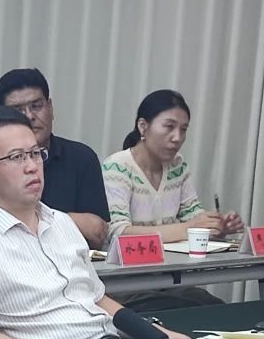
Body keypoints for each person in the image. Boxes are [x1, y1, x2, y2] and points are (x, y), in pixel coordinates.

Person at [0, 107, 184, 339]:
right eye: (17, 157)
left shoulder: (62, 222)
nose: (32, 166)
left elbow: (98, 299)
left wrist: (158, 337)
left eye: (35, 153)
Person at [0, 68, 110, 249]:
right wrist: (64, 221)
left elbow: (97, 230)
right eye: (17, 110)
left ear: (50, 108)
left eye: (36, 106)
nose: (29, 116)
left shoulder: (82, 157)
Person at [102, 89, 243, 242]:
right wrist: (190, 228)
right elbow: (118, 232)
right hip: (134, 258)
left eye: (183, 129)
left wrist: (216, 225)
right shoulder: (117, 166)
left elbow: (193, 216)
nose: (177, 138)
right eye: (169, 126)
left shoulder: (177, 165)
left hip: (173, 257)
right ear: (143, 126)